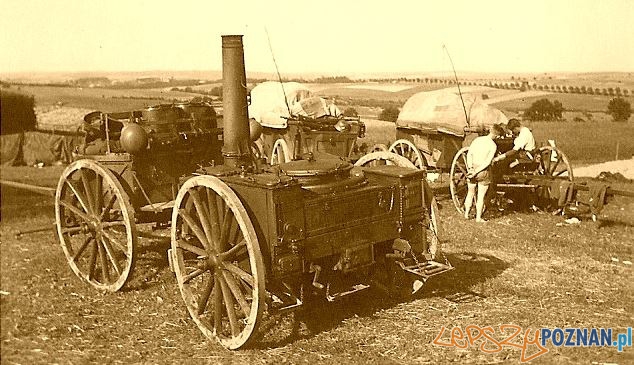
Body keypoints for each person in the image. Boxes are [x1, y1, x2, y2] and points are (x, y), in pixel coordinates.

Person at [464, 124, 505, 222]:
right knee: (481, 196)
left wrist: (470, 169)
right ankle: (478, 218)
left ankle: (466, 214)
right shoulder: (493, 145)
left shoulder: (477, 140)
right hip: (483, 171)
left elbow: (470, 154)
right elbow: (487, 162)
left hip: (472, 167)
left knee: (470, 193)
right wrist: (477, 172)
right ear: (497, 136)